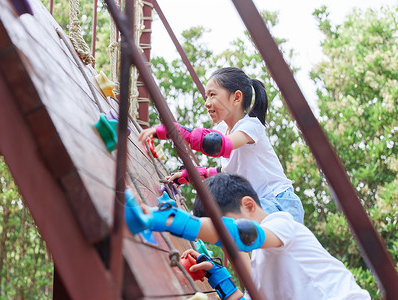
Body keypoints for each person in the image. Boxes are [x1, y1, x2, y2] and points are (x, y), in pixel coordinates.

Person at [125, 173, 371, 300]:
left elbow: (242, 235)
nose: (223, 239)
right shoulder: (260, 267)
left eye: (222, 227)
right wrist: (218, 276)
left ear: (249, 205)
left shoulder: (283, 224)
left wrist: (168, 220)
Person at [138, 67, 304, 223]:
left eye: (212, 95)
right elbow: (228, 170)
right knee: (222, 216)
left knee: (225, 216)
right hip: (259, 205)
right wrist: (193, 174)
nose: (207, 103)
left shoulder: (250, 126)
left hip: (280, 204)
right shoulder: (223, 129)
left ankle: (181, 224)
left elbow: (217, 145)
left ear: (236, 98)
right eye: (206, 97)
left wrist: (174, 131)